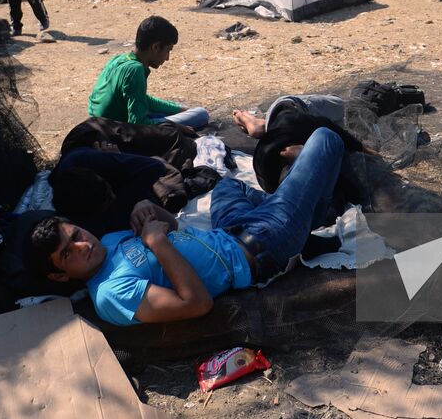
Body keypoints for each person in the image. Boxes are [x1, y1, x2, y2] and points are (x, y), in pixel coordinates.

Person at [26, 127, 345, 325]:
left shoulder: (108, 240)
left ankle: (301, 222)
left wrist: (152, 211)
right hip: (259, 244)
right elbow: (196, 304)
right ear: (59, 275)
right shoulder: (110, 293)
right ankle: (303, 221)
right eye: (69, 253)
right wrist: (156, 243)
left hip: (227, 229)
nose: (83, 244)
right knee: (325, 139)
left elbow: (175, 231)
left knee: (227, 187)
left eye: (76, 235)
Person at [88, 16, 209, 128]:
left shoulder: (119, 59)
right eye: (168, 50)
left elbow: (142, 99)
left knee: (176, 107)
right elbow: (139, 124)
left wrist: (180, 109)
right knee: (201, 114)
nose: (167, 58)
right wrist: (177, 126)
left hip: (97, 124)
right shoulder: (135, 70)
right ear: (156, 47)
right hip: (116, 130)